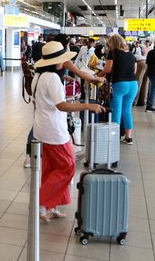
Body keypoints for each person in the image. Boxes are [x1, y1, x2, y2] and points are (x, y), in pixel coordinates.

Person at [32, 41, 105, 222]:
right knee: (68, 166)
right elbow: (62, 105)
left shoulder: (38, 76)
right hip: (54, 131)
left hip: (41, 128)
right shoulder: (53, 78)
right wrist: (88, 105)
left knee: (50, 168)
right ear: (57, 61)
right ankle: (42, 202)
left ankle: (50, 206)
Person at [98, 34, 138, 145]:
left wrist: (97, 76)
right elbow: (134, 71)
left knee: (116, 111)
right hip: (133, 85)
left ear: (113, 43)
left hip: (120, 84)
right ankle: (128, 137)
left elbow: (107, 69)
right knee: (127, 111)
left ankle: (114, 137)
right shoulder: (131, 54)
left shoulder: (113, 53)